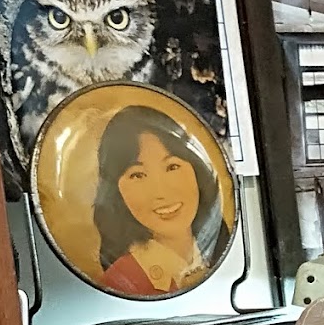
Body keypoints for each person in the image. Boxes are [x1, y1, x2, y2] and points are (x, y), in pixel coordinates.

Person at [92, 105, 229, 296]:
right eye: (138, 175)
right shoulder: (120, 283)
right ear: (116, 192)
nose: (160, 191)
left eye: (172, 167)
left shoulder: (221, 256)